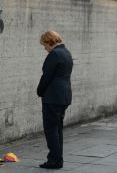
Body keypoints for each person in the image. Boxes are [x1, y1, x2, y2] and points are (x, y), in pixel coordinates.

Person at [37, 31, 73, 169]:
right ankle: (57, 160)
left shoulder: (55, 54)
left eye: (45, 45)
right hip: (63, 96)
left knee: (51, 129)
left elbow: (46, 76)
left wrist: (39, 91)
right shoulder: (66, 52)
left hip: (52, 97)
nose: (44, 48)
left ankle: (54, 160)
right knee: (57, 129)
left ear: (50, 42)